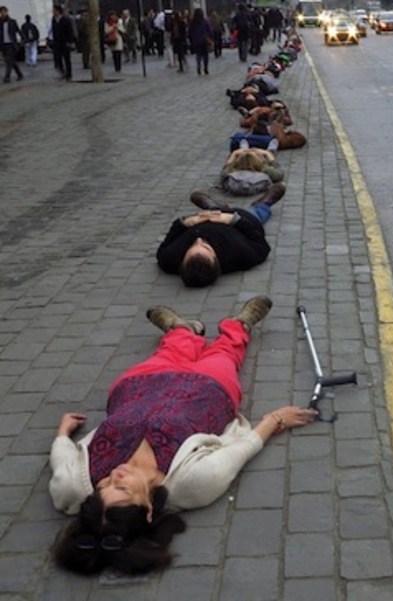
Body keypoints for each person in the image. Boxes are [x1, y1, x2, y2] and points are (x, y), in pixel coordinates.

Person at [49, 297, 318, 575]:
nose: (114, 477)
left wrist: (63, 433)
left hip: (138, 387)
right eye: (124, 489)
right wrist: (275, 419)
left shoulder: (74, 487)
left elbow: (62, 461)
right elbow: (243, 449)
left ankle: (182, 330)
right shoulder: (193, 483)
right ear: (149, 509)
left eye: (103, 487)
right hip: (209, 391)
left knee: (169, 352)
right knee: (225, 354)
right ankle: (238, 325)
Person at [156, 183, 285, 287]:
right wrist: (232, 219)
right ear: (215, 258)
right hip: (240, 220)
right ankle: (265, 202)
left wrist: (186, 222)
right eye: (206, 247)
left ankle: (212, 206)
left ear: (182, 261)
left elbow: (167, 242)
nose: (199, 240)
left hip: (206, 217)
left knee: (212, 209)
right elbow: (260, 242)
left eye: (192, 246)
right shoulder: (240, 256)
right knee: (258, 212)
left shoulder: (169, 260)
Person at [0, 5, 23, 83]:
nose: (3, 13)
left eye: (4, 11)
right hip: (3, 45)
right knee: (11, 61)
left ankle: (7, 77)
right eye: (1, 12)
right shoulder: (0, 23)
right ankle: (19, 74)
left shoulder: (12, 21)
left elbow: (18, 31)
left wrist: (23, 39)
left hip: (11, 44)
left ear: (7, 12)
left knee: (8, 60)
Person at [51, 4, 74, 81]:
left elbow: (70, 31)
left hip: (65, 42)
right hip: (57, 43)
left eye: (54, 10)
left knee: (67, 59)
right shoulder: (54, 20)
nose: (53, 12)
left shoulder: (65, 20)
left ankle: (69, 75)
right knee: (58, 59)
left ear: (58, 11)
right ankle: (62, 72)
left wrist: (70, 41)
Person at [188, 7, 211, 75]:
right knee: (205, 55)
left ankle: (198, 67)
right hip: (204, 40)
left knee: (198, 55)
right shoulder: (205, 21)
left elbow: (190, 32)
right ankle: (205, 68)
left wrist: (191, 39)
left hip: (196, 41)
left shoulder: (193, 23)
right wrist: (210, 37)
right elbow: (209, 30)